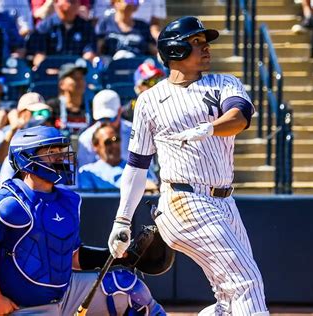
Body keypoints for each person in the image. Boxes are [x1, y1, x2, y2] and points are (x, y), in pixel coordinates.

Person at [107, 16, 269, 315]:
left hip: (223, 201)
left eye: (205, 42)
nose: (206, 48)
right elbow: (137, 166)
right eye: (196, 42)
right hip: (183, 199)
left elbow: (240, 117)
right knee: (246, 282)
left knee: (229, 298)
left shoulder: (225, 82)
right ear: (175, 49)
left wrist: (209, 128)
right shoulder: (150, 100)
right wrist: (122, 220)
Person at [0, 125, 165, 315]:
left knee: (127, 286)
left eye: (61, 150)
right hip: (23, 306)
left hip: (67, 294)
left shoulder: (69, 200)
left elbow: (73, 257)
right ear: (26, 158)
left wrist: (118, 257)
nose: (61, 157)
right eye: (52, 152)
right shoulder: (6, 203)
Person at [78, 124, 157, 190]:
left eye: (116, 140)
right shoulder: (87, 172)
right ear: (95, 146)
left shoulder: (139, 166)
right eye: (108, 142)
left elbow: (153, 190)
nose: (114, 145)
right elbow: (88, 202)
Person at [31, 0, 96, 67]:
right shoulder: (44, 27)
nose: (75, 4)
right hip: (51, 72)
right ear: (56, 2)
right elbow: (39, 56)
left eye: (77, 1)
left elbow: (89, 54)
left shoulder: (86, 27)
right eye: (70, 1)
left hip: (77, 73)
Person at [77, 89, 132, 167]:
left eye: (110, 118)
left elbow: (146, 168)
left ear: (120, 111)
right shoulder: (85, 138)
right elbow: (84, 172)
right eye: (102, 119)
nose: (107, 123)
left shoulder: (136, 132)